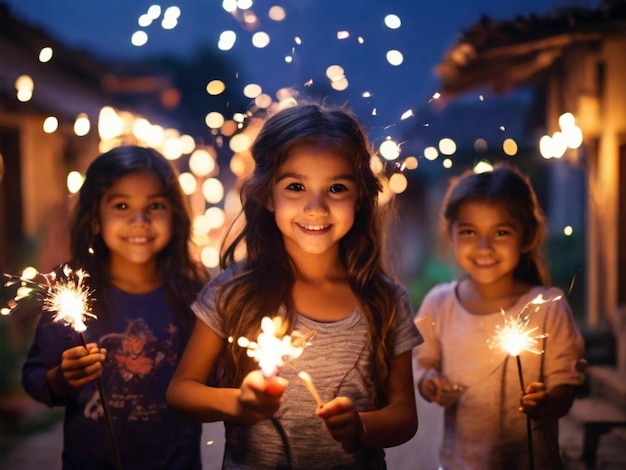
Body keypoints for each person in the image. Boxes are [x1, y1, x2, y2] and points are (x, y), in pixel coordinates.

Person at [166, 102, 423, 469]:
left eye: (336, 187)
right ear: (267, 195)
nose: (315, 207)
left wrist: (361, 426)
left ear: (361, 196)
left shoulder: (385, 300)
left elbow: (404, 416)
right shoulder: (231, 293)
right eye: (296, 186)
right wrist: (237, 403)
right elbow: (180, 393)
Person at [22, 145, 210, 469]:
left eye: (155, 205)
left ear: (175, 216)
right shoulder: (72, 291)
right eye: (122, 205)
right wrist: (62, 379)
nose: (140, 220)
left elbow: (213, 377)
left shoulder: (192, 292)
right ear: (95, 218)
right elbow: (35, 378)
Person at [413, 164, 585, 469]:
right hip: (458, 463)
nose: (484, 247)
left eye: (501, 232)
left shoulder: (547, 307)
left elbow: (565, 384)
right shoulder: (440, 304)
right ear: (449, 233)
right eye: (469, 231)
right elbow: (420, 362)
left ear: (528, 236)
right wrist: (430, 383)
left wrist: (549, 401)